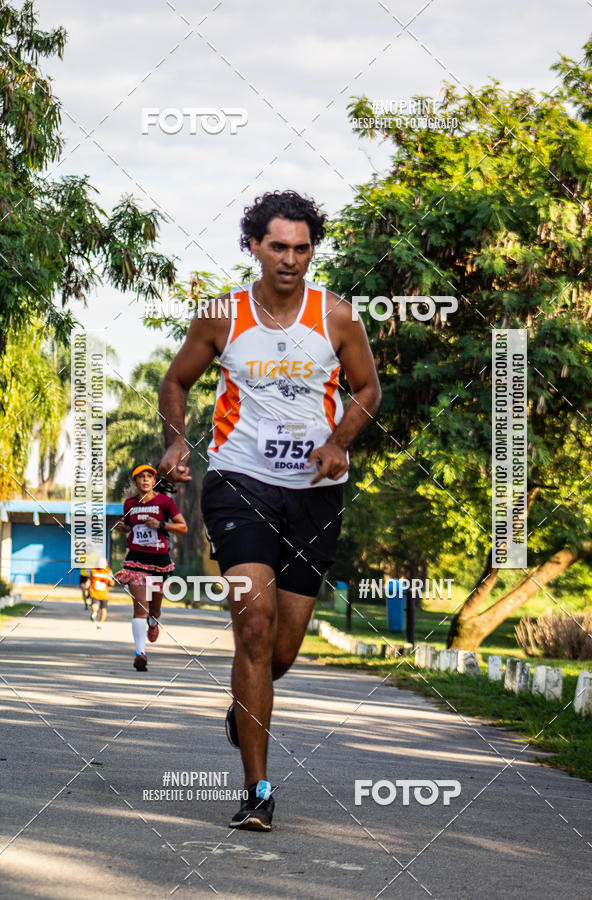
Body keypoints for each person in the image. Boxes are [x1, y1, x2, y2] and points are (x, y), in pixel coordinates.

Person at [158, 190, 381, 831]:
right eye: (277, 246)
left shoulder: (336, 316)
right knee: (252, 628)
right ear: (253, 246)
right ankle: (258, 790)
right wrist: (177, 438)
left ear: (313, 250)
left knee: (281, 650)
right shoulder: (221, 316)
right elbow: (177, 381)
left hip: (314, 493)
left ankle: (244, 704)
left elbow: (368, 387)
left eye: (302, 247)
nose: (289, 259)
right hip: (239, 483)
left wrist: (340, 442)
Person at [114, 464, 188, 671]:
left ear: (154, 481)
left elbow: (183, 526)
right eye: (141, 477)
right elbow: (130, 525)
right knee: (140, 607)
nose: (145, 480)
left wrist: (161, 525)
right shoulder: (129, 504)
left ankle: (153, 622)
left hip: (159, 563)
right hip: (135, 560)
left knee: (154, 609)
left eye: (149, 476)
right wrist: (123, 528)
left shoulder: (164, 502)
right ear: (135, 481)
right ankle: (140, 653)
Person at [89, 560, 114, 628]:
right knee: (94, 606)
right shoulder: (93, 570)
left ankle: (100, 623)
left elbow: (112, 583)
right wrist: (87, 585)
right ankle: (94, 613)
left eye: (103, 563)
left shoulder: (108, 571)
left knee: (103, 610)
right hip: (95, 592)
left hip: (104, 594)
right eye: (99, 563)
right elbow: (89, 580)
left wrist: (110, 580)